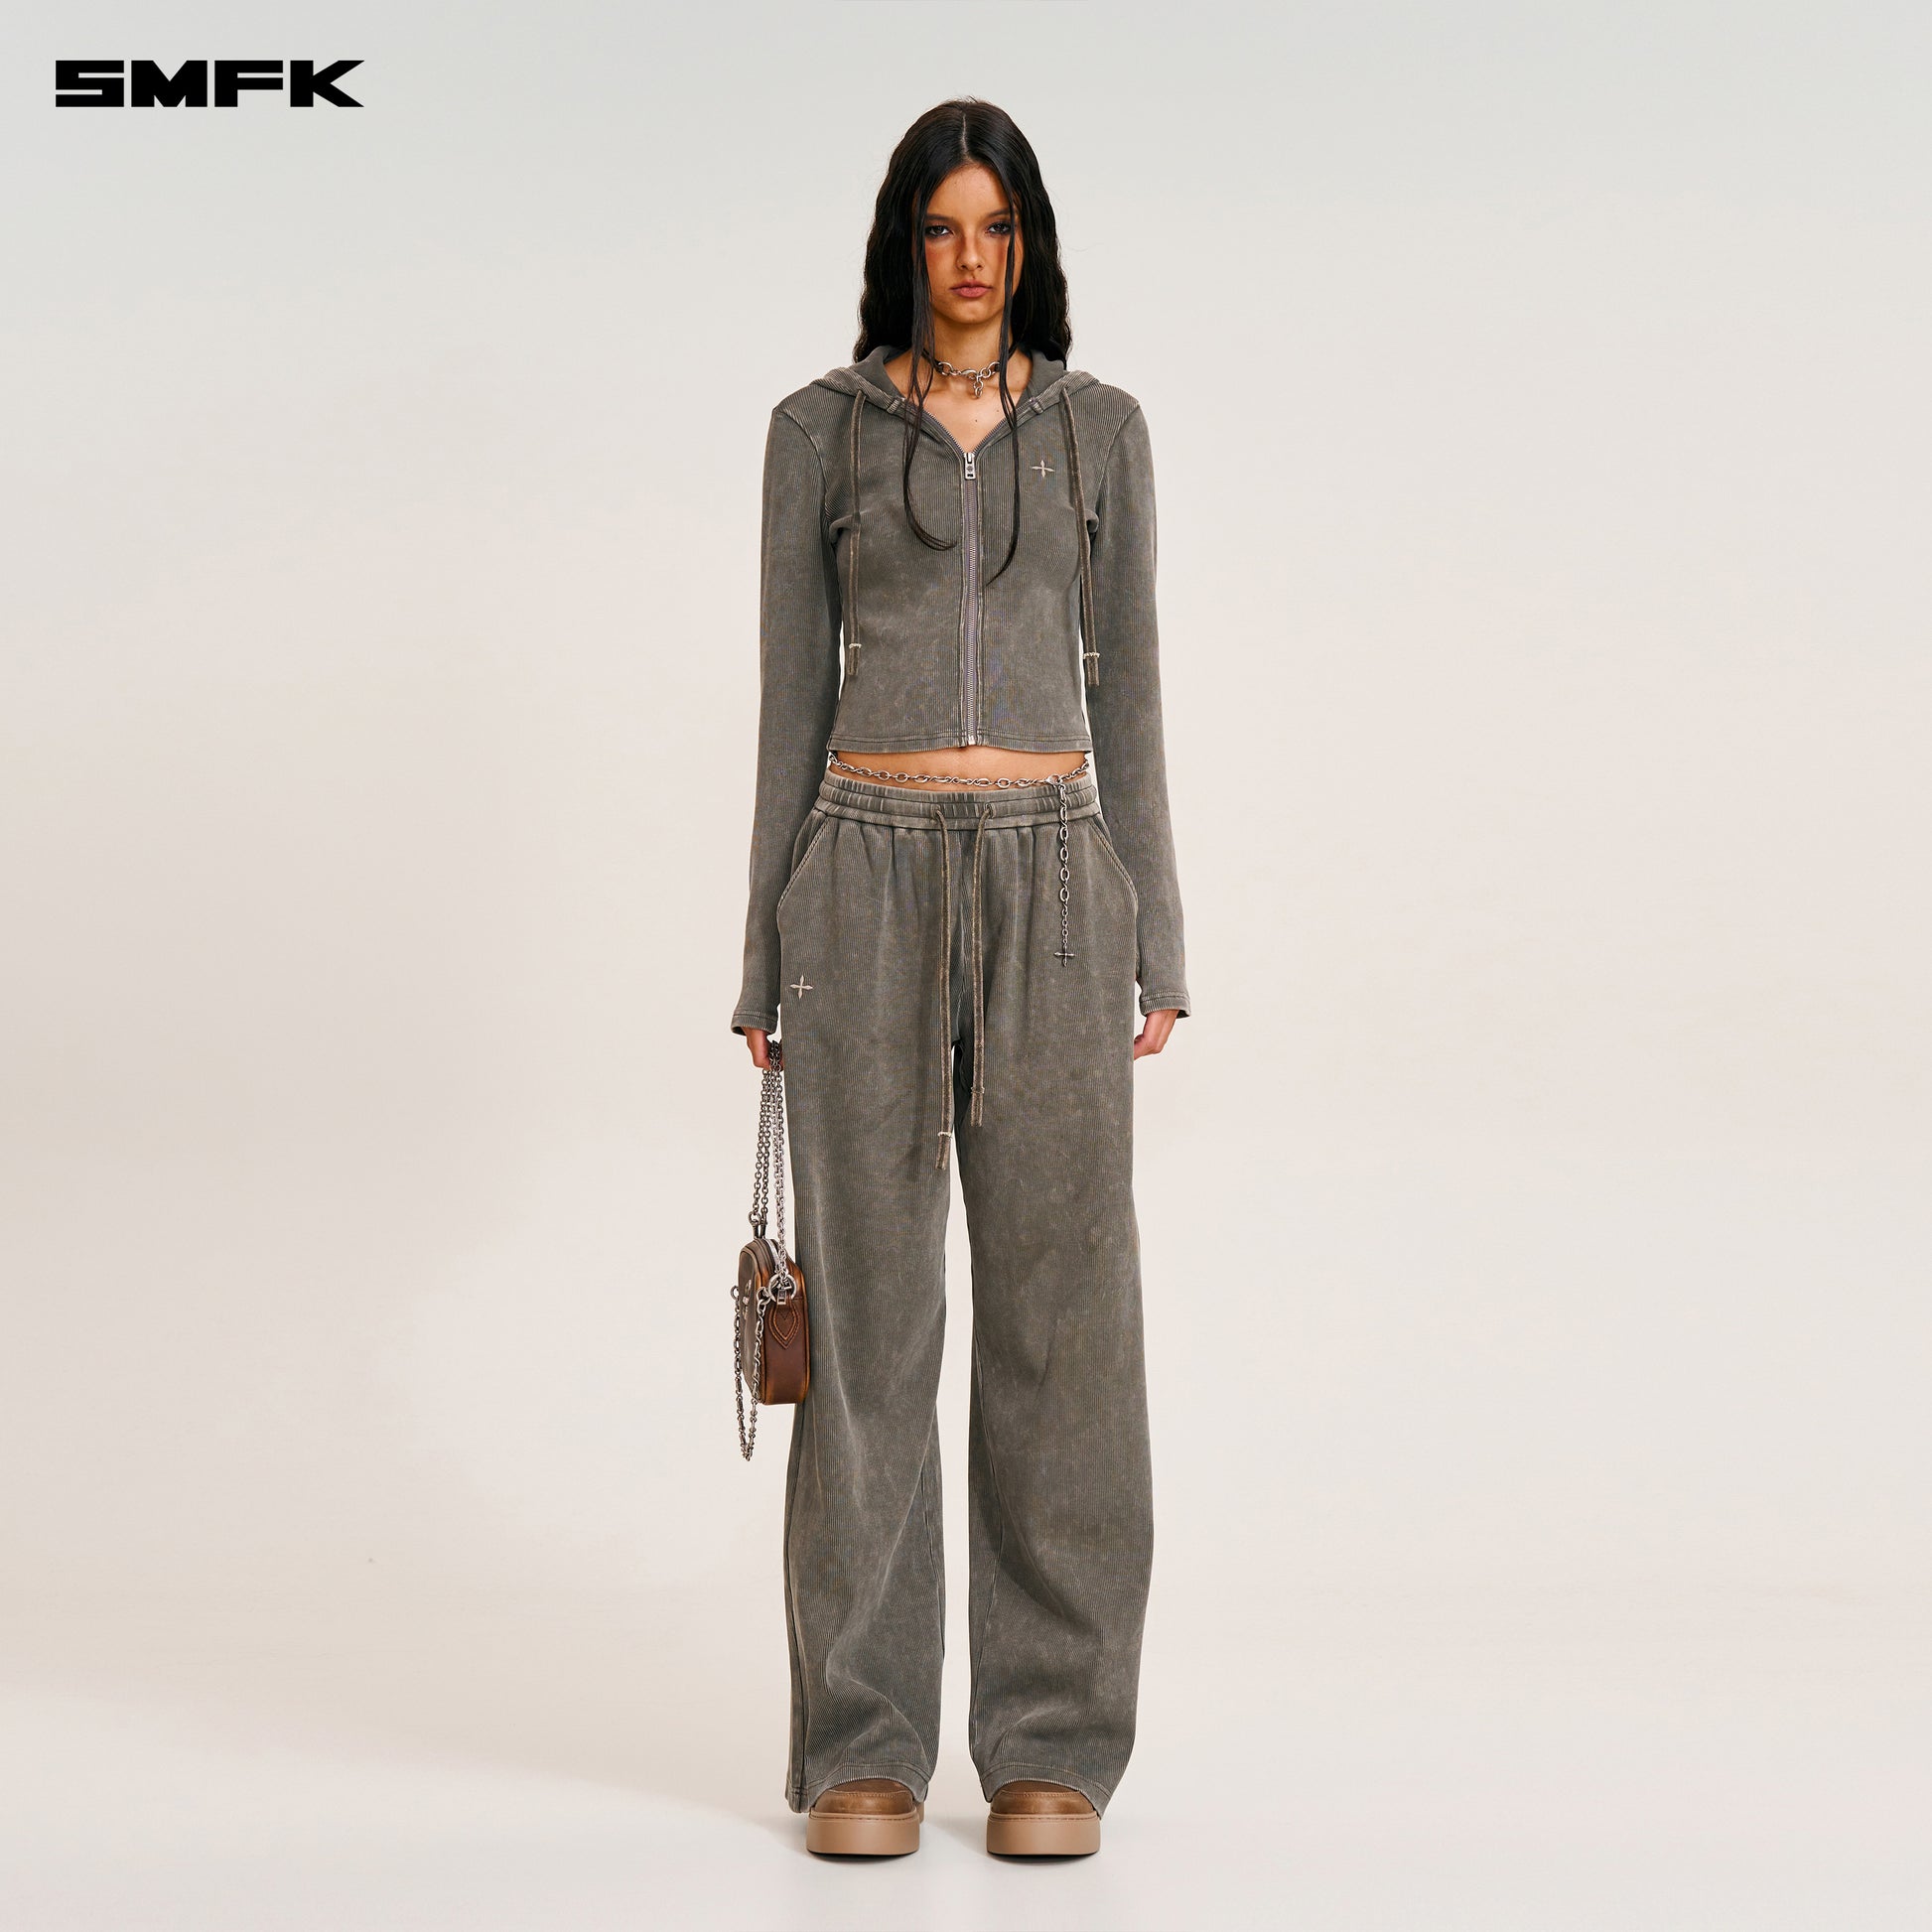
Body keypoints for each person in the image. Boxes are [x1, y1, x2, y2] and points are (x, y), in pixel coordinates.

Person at [730, 97, 1190, 1860]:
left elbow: (1132, 687)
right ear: (903, 245)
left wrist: (1157, 923)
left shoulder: (1101, 432)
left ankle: (1049, 1743)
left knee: (1066, 1323)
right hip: (860, 873)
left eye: (995, 227)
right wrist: (762, 944)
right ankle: (860, 1739)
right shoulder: (817, 432)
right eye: (941, 227)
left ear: (1029, 244)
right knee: (868, 1327)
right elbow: (788, 696)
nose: (970, 258)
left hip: (1057, 876)